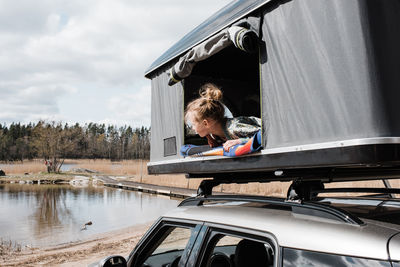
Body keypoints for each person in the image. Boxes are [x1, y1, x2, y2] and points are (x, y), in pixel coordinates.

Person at [185, 83, 261, 152]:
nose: (192, 128)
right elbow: (208, 129)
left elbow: (263, 134)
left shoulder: (234, 127)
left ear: (206, 123)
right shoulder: (214, 133)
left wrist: (239, 141)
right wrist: (209, 137)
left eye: (193, 124)